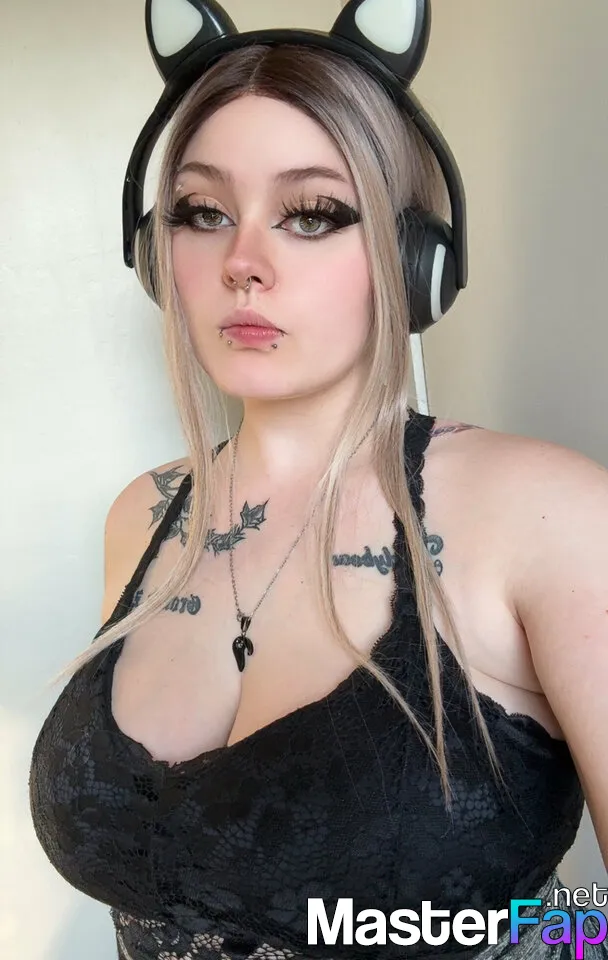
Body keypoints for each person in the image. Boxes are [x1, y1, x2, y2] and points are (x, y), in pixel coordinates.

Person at [29, 1, 608, 957]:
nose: (242, 264)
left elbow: (589, 924)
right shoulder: (142, 516)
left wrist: (531, 938)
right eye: (203, 212)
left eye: (311, 215)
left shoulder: (548, 515)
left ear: (414, 260)